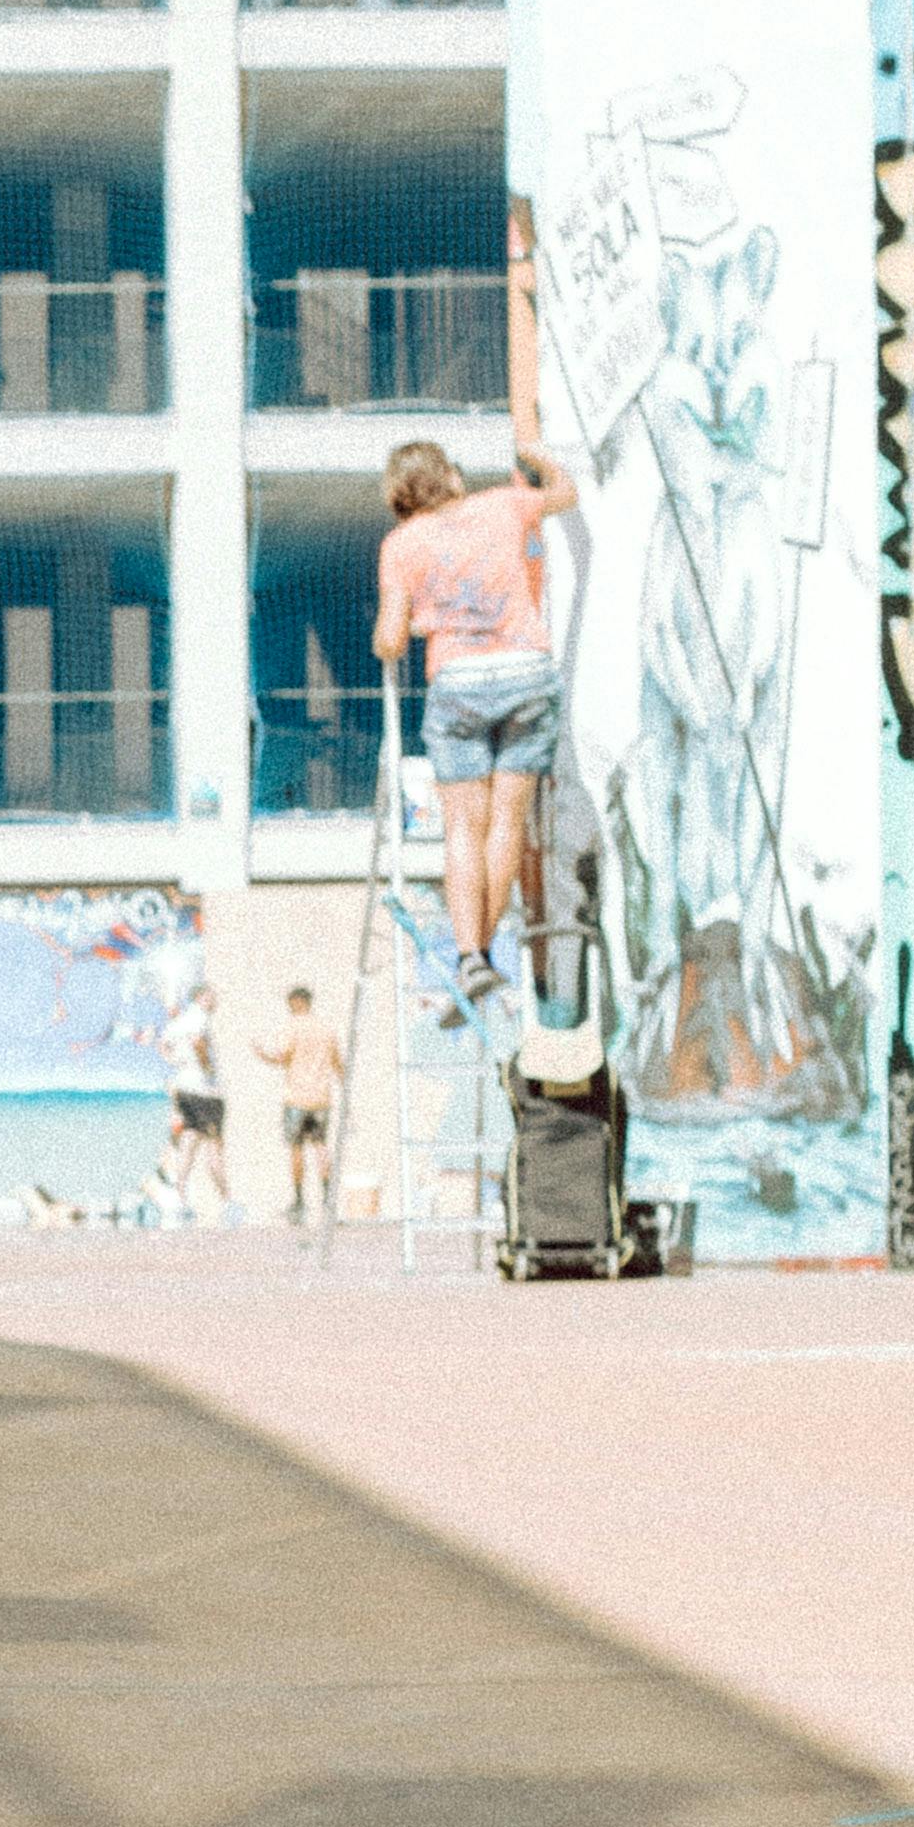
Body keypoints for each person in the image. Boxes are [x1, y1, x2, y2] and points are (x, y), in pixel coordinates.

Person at [370, 212, 582, 1016]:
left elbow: (391, 637)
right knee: (507, 825)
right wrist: (539, 457)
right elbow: (563, 495)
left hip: (457, 684)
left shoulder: (401, 545)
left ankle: (469, 957)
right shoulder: (500, 507)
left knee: (460, 828)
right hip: (526, 674)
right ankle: (481, 957)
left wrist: (409, 625)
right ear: (449, 479)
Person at [250, 976, 345, 1223]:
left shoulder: (293, 1026)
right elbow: (339, 1065)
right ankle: (326, 1199)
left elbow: (282, 1056)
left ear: (296, 1002)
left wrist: (261, 1054)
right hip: (322, 1098)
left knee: (296, 1148)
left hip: (296, 1098)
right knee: (321, 1146)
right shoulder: (326, 1029)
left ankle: (300, 1200)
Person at [155, 984, 227, 1222]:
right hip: (204, 1090)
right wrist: (206, 1067)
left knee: (189, 1141)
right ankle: (226, 1200)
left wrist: (177, 1062)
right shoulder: (199, 1018)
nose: (214, 1000)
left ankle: (180, 1195)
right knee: (214, 1146)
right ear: (200, 997)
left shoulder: (178, 1022)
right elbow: (198, 1041)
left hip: (184, 1088)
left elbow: (163, 1045)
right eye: (211, 996)